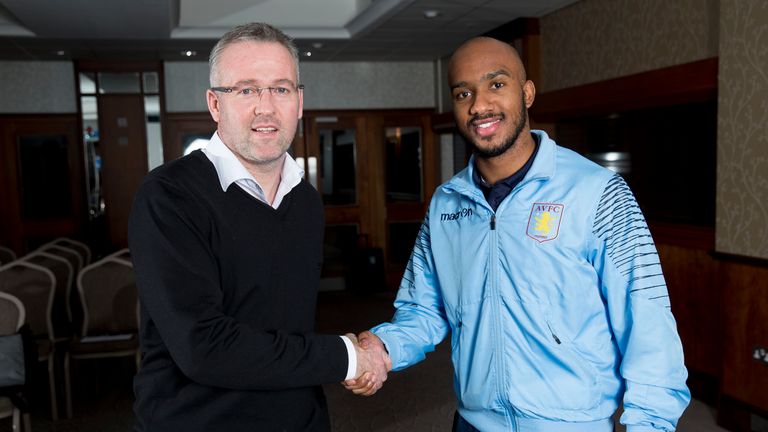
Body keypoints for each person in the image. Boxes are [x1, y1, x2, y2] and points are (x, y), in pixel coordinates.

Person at [344, 36, 690, 431]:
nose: (479, 105)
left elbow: (647, 320)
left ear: (526, 93)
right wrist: (384, 347)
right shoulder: (446, 204)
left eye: (496, 84)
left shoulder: (597, 192)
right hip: (473, 422)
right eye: (463, 93)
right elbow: (424, 309)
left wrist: (651, 425)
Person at [128, 22, 390, 432]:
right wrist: (348, 357)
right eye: (246, 89)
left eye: (281, 89)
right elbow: (204, 347)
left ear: (299, 103)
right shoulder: (169, 196)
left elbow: (287, 325)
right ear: (215, 104)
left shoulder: (304, 200)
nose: (266, 107)